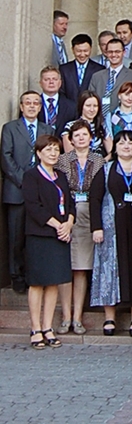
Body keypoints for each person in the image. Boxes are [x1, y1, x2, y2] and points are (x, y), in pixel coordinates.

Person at [89, 131, 132, 337]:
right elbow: (94, 199)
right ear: (115, 147)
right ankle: (109, 317)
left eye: (130, 143)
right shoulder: (105, 169)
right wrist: (96, 227)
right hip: (110, 227)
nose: (126, 146)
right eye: (121, 143)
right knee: (109, 270)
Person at [23, 135, 75, 349]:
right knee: (37, 283)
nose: (53, 153)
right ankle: (35, 328)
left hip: (61, 236)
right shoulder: (31, 176)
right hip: (40, 235)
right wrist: (57, 225)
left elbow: (70, 204)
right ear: (38, 153)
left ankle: (48, 327)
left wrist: (68, 224)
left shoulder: (61, 176)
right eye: (48, 149)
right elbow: (33, 205)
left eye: (56, 149)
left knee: (54, 282)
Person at [55, 120, 105, 336]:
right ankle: (65, 317)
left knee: (82, 267)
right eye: (77, 135)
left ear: (91, 138)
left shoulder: (99, 160)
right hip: (67, 212)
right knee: (67, 266)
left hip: (90, 212)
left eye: (85, 134)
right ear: (71, 139)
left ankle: (77, 318)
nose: (81, 138)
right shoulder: (62, 160)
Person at [1, 91, 54, 293]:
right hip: (17, 191)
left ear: (41, 107)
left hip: (41, 193)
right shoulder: (10, 128)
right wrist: (26, 181)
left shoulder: (47, 129)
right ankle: (16, 275)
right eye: (28, 103)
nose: (32, 106)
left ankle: (34, 273)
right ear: (22, 107)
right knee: (16, 236)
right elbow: (6, 158)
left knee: (36, 235)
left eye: (36, 103)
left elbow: (51, 155)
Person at [88, 38, 132, 118]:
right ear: (106, 53)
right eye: (110, 52)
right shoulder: (97, 76)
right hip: (99, 121)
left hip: (122, 121)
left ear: (124, 52)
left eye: (117, 52)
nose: (113, 55)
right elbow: (90, 99)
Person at [61, 90, 113, 158]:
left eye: (95, 106)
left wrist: (102, 162)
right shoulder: (70, 126)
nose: (92, 109)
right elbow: (69, 153)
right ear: (81, 106)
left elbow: (112, 151)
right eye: (88, 106)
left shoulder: (101, 127)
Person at [59, 34, 104, 104]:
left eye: (85, 51)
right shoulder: (64, 69)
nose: (82, 55)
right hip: (69, 111)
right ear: (73, 50)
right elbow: (61, 93)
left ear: (91, 49)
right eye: (79, 51)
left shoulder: (99, 69)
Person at [38, 66, 77, 139]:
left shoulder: (72, 107)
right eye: (47, 79)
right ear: (40, 83)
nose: (51, 82)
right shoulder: (33, 104)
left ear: (60, 83)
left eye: (54, 79)